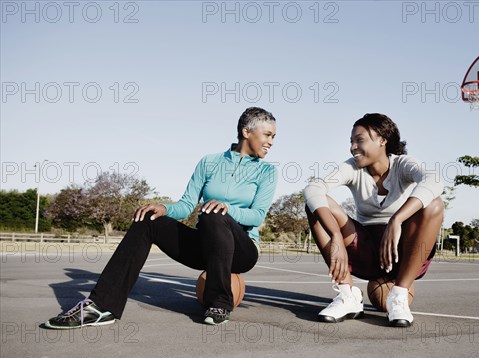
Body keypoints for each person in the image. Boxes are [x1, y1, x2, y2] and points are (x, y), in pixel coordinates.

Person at [45, 107, 278, 328]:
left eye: (274, 137)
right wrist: (164, 208)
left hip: (242, 251)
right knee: (148, 219)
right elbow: (187, 205)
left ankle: (219, 303)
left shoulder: (267, 171)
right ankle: (101, 306)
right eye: (267, 135)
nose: (271, 142)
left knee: (213, 214)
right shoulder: (209, 162)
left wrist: (226, 208)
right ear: (246, 132)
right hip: (206, 247)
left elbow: (256, 216)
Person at [303, 113, 443, 327]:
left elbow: (434, 180)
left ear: (382, 140)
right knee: (315, 205)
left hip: (403, 252)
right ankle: (347, 294)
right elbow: (313, 188)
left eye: (359, 140)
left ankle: (399, 294)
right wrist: (336, 237)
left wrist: (396, 220)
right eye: (351, 141)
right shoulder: (352, 168)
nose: (352, 147)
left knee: (434, 204)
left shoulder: (403, 165)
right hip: (365, 251)